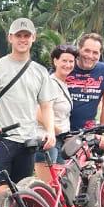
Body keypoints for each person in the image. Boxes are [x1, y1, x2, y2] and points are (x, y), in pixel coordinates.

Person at [0, 17, 55, 188]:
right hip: (0, 141)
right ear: (10, 38)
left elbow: (46, 106)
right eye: (18, 35)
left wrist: (50, 131)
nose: (22, 39)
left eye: (27, 35)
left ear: (33, 38)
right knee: (0, 194)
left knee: (22, 194)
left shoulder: (40, 72)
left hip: (27, 142)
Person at [36, 43, 77, 179]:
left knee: (60, 186)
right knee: (49, 187)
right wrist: (57, 131)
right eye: (64, 61)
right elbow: (38, 113)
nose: (68, 64)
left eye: (71, 61)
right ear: (55, 61)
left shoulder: (62, 83)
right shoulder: (50, 83)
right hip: (47, 140)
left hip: (58, 141)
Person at [64, 31, 104, 131]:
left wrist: (102, 132)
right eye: (87, 51)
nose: (90, 56)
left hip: (87, 130)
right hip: (61, 129)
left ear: (100, 54)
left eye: (95, 53)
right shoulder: (66, 67)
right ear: (79, 49)